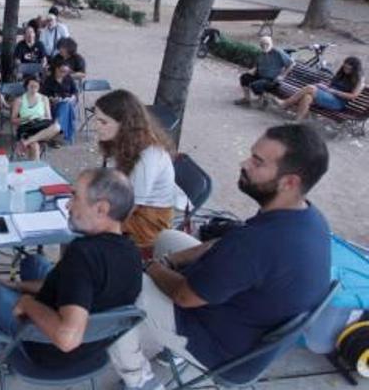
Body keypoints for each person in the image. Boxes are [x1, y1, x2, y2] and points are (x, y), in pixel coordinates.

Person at [109, 124, 332, 390]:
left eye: (257, 162)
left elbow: (183, 296)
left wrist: (151, 267)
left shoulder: (255, 245)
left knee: (119, 287)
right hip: (245, 324)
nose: (244, 163)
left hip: (224, 351)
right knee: (167, 239)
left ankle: (140, 380)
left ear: (290, 182)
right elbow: (227, 242)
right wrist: (172, 261)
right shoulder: (307, 216)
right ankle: (170, 351)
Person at [0, 168, 142, 371]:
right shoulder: (132, 253)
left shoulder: (82, 254)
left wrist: (27, 302)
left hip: (44, 348)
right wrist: (16, 285)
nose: (68, 204)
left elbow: (67, 339)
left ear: (101, 209)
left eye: (75, 196)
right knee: (34, 263)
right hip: (93, 352)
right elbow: (77, 286)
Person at [94, 90, 175, 249]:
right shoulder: (129, 144)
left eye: (103, 122)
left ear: (125, 125)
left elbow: (128, 208)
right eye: (96, 120)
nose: (96, 127)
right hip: (132, 210)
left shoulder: (147, 158)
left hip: (146, 224)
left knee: (80, 230)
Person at [275, 56, 364, 120]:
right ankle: (297, 121)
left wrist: (333, 91)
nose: (346, 70)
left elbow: (353, 96)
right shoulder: (342, 73)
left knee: (310, 88)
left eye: (349, 69)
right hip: (328, 95)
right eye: (345, 67)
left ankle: (285, 103)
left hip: (338, 102)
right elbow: (331, 84)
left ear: (355, 69)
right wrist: (324, 86)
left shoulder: (359, 80)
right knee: (307, 97)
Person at [12, 76, 62, 160]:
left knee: (57, 126)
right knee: (35, 147)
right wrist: (25, 119)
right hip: (27, 126)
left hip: (42, 125)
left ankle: (26, 142)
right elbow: (13, 120)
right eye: (31, 86)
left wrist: (41, 117)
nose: (34, 89)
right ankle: (34, 170)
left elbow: (48, 118)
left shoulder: (44, 98)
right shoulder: (19, 100)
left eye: (36, 87)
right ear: (26, 87)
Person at [236, 36, 293, 107]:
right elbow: (257, 65)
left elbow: (291, 64)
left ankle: (266, 99)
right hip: (260, 76)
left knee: (256, 85)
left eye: (267, 44)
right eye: (262, 44)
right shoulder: (261, 54)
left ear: (271, 44)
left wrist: (282, 75)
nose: (264, 46)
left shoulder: (278, 53)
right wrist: (254, 69)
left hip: (271, 79)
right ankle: (247, 99)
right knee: (244, 77)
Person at [41, 61, 80, 143]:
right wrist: (51, 98)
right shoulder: (49, 80)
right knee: (67, 106)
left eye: (66, 72)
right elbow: (43, 96)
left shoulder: (68, 78)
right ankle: (68, 134)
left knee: (66, 104)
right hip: (53, 105)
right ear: (56, 69)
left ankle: (56, 125)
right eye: (62, 71)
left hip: (68, 102)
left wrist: (73, 97)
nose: (64, 73)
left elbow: (75, 92)